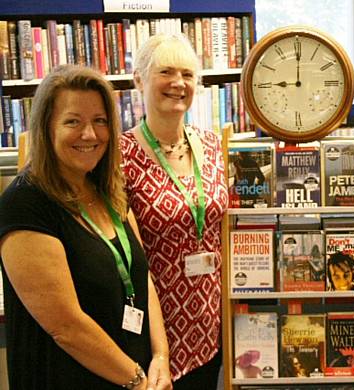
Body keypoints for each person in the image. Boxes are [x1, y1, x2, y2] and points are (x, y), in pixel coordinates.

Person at [0, 65, 171, 389]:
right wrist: (138, 380)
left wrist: (160, 356)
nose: (90, 134)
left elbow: (141, 276)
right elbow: (66, 327)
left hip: (133, 376)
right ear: (46, 127)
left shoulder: (105, 189)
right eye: (73, 122)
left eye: (100, 121)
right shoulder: (25, 202)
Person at [120, 33, 228, 388]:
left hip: (209, 323)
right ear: (139, 80)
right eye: (166, 72)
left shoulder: (213, 146)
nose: (178, 83)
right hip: (152, 329)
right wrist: (158, 348)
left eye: (188, 74)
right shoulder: (119, 157)